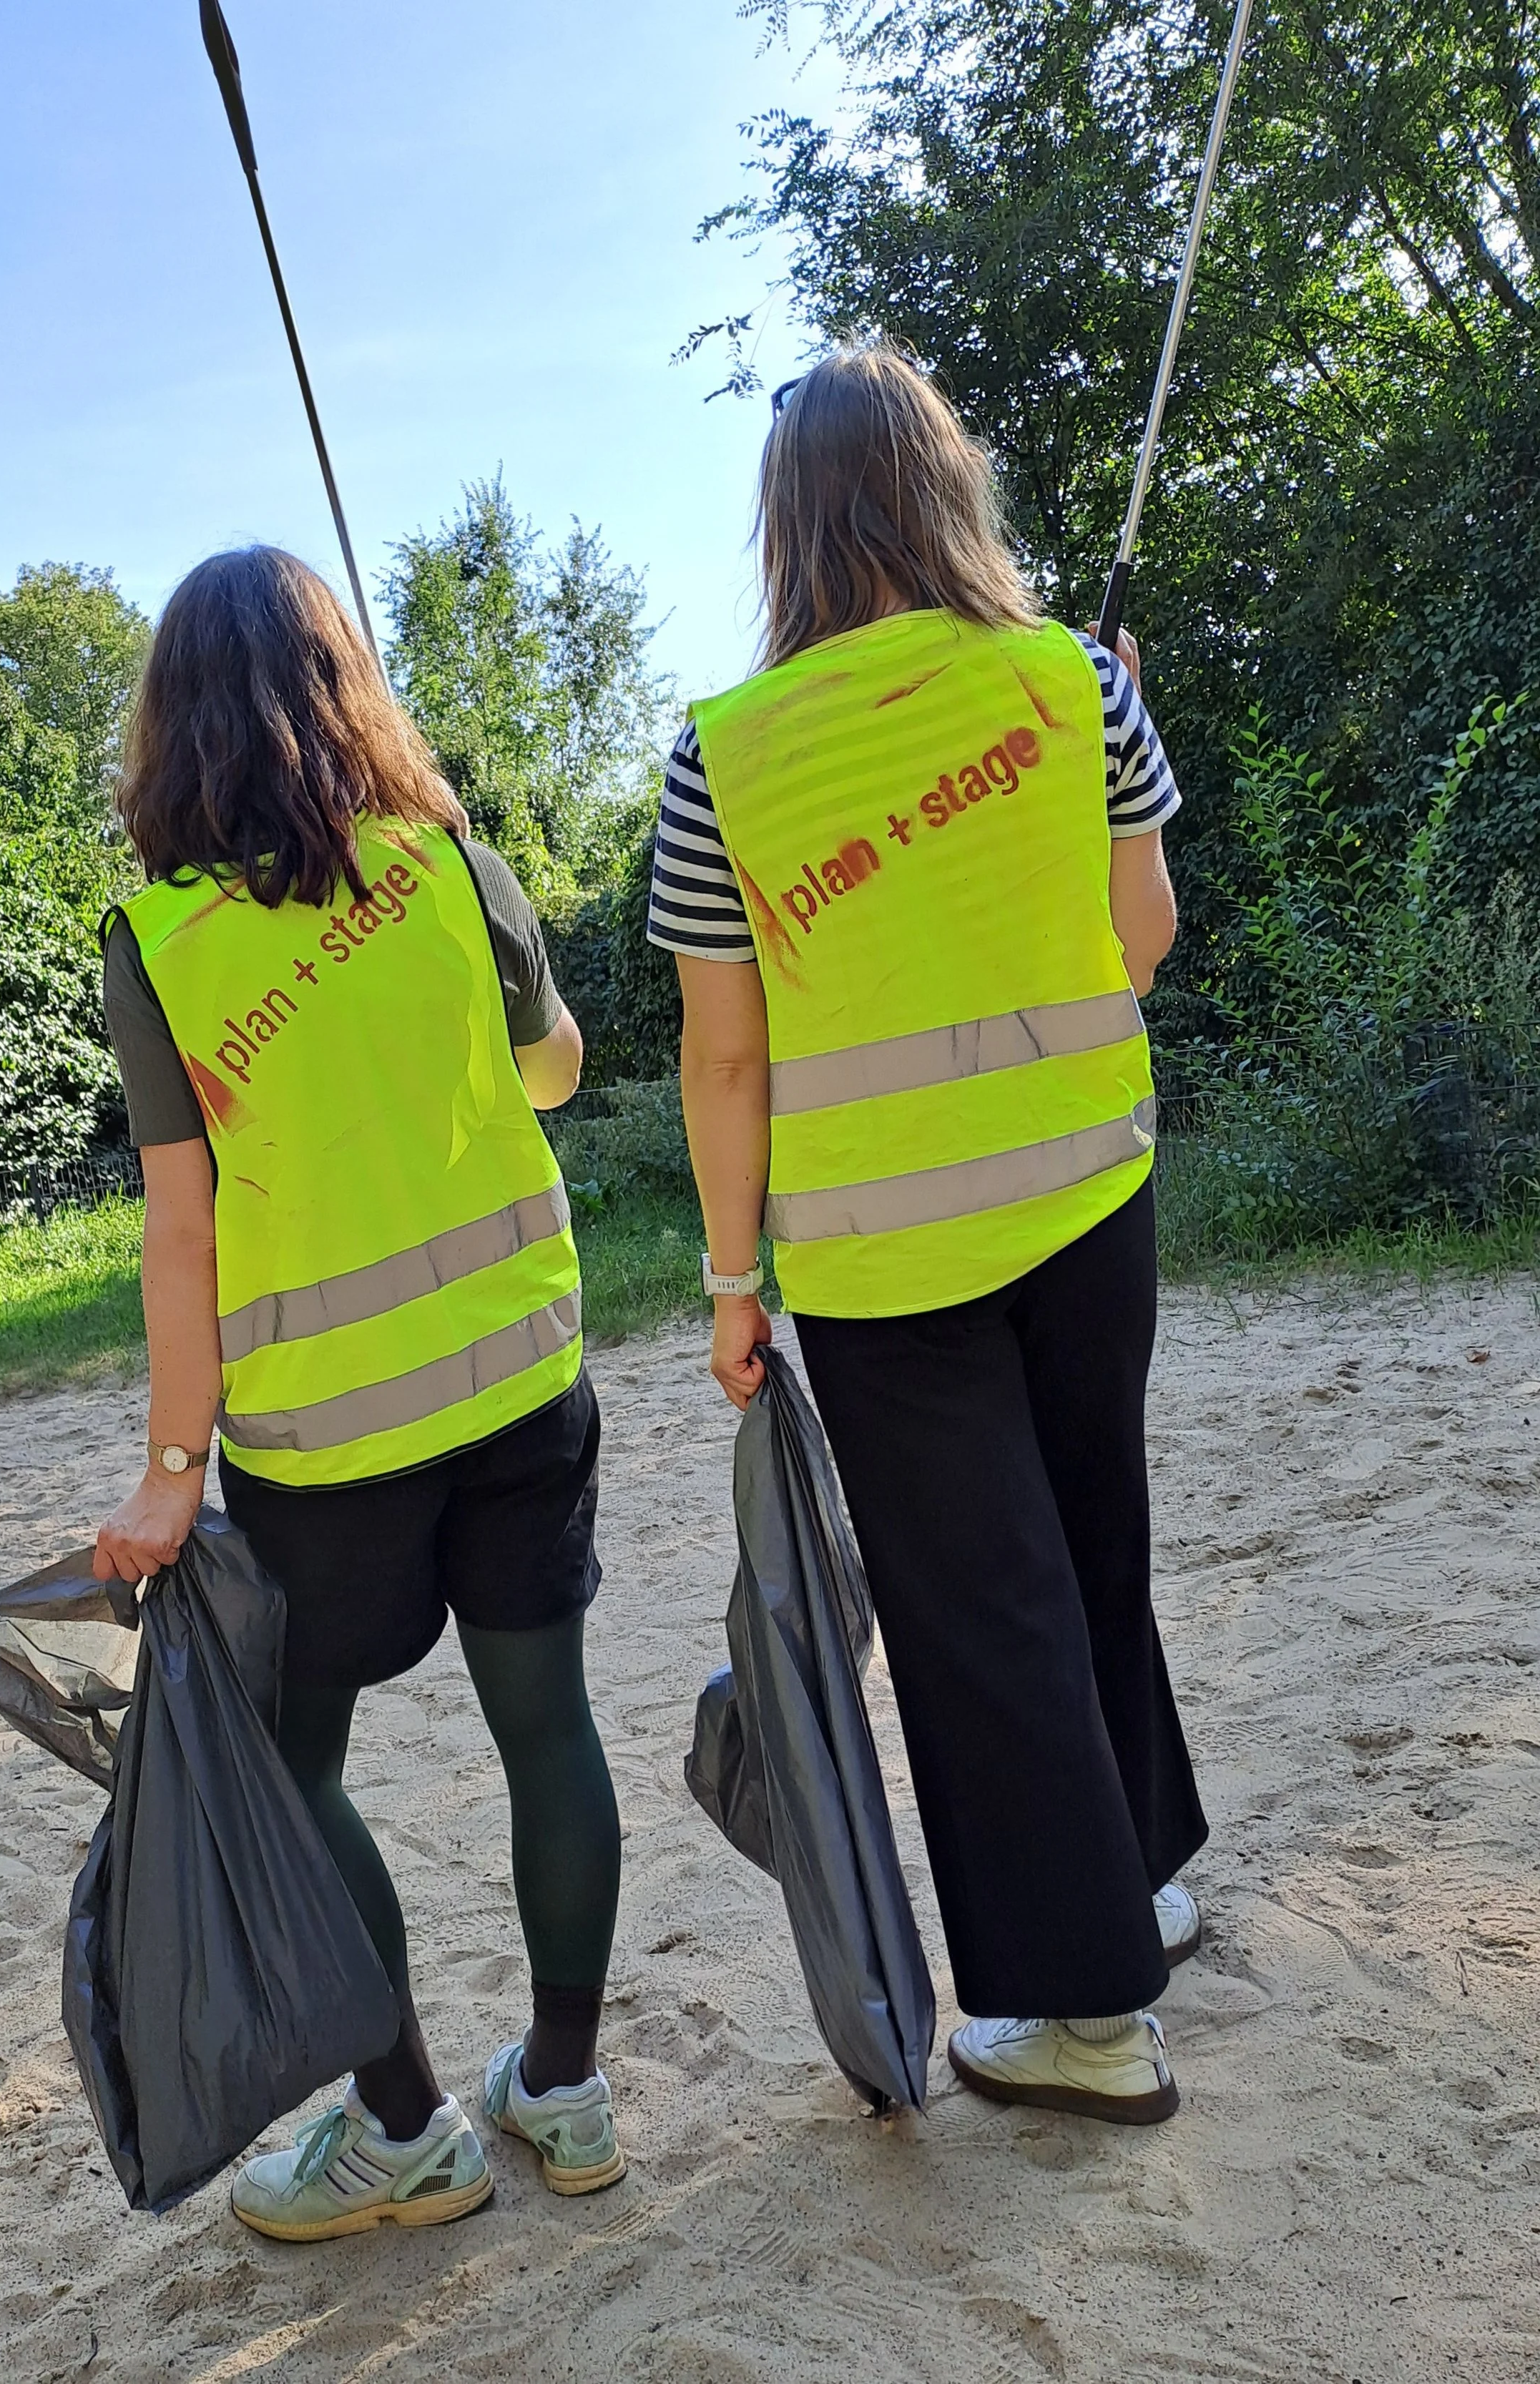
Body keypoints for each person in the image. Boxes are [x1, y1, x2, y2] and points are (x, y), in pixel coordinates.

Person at [652, 347, 1208, 2125]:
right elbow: (1139, 944)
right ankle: (1137, 1881)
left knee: (983, 1616)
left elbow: (723, 1055)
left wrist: (732, 1283)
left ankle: (1081, 2010)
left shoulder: (719, 760)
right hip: (1084, 1203)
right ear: (943, 487)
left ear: (786, 527)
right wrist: (1100, 737)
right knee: (1088, 1548)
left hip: (886, 1265)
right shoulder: (1070, 689)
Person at [92, 546, 626, 2239]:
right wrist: (486, 919)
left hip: (326, 1445)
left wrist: (174, 1468)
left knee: (290, 1763)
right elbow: (553, 1072)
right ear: (345, 691)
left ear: (172, 728)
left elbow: (183, 1236)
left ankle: (403, 2128)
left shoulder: (161, 942)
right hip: (522, 1381)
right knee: (547, 1725)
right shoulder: (447, 862)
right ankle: (563, 2085)